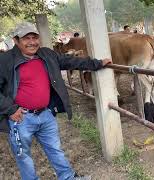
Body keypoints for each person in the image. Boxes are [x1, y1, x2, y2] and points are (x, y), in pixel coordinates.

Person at [0, 22, 112, 180]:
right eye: (27, 38)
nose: (32, 42)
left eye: (35, 37)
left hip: (45, 113)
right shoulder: (5, 60)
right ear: (16, 41)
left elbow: (70, 61)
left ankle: (67, 177)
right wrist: (10, 109)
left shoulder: (46, 54)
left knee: (55, 149)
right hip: (21, 118)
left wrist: (97, 64)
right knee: (23, 156)